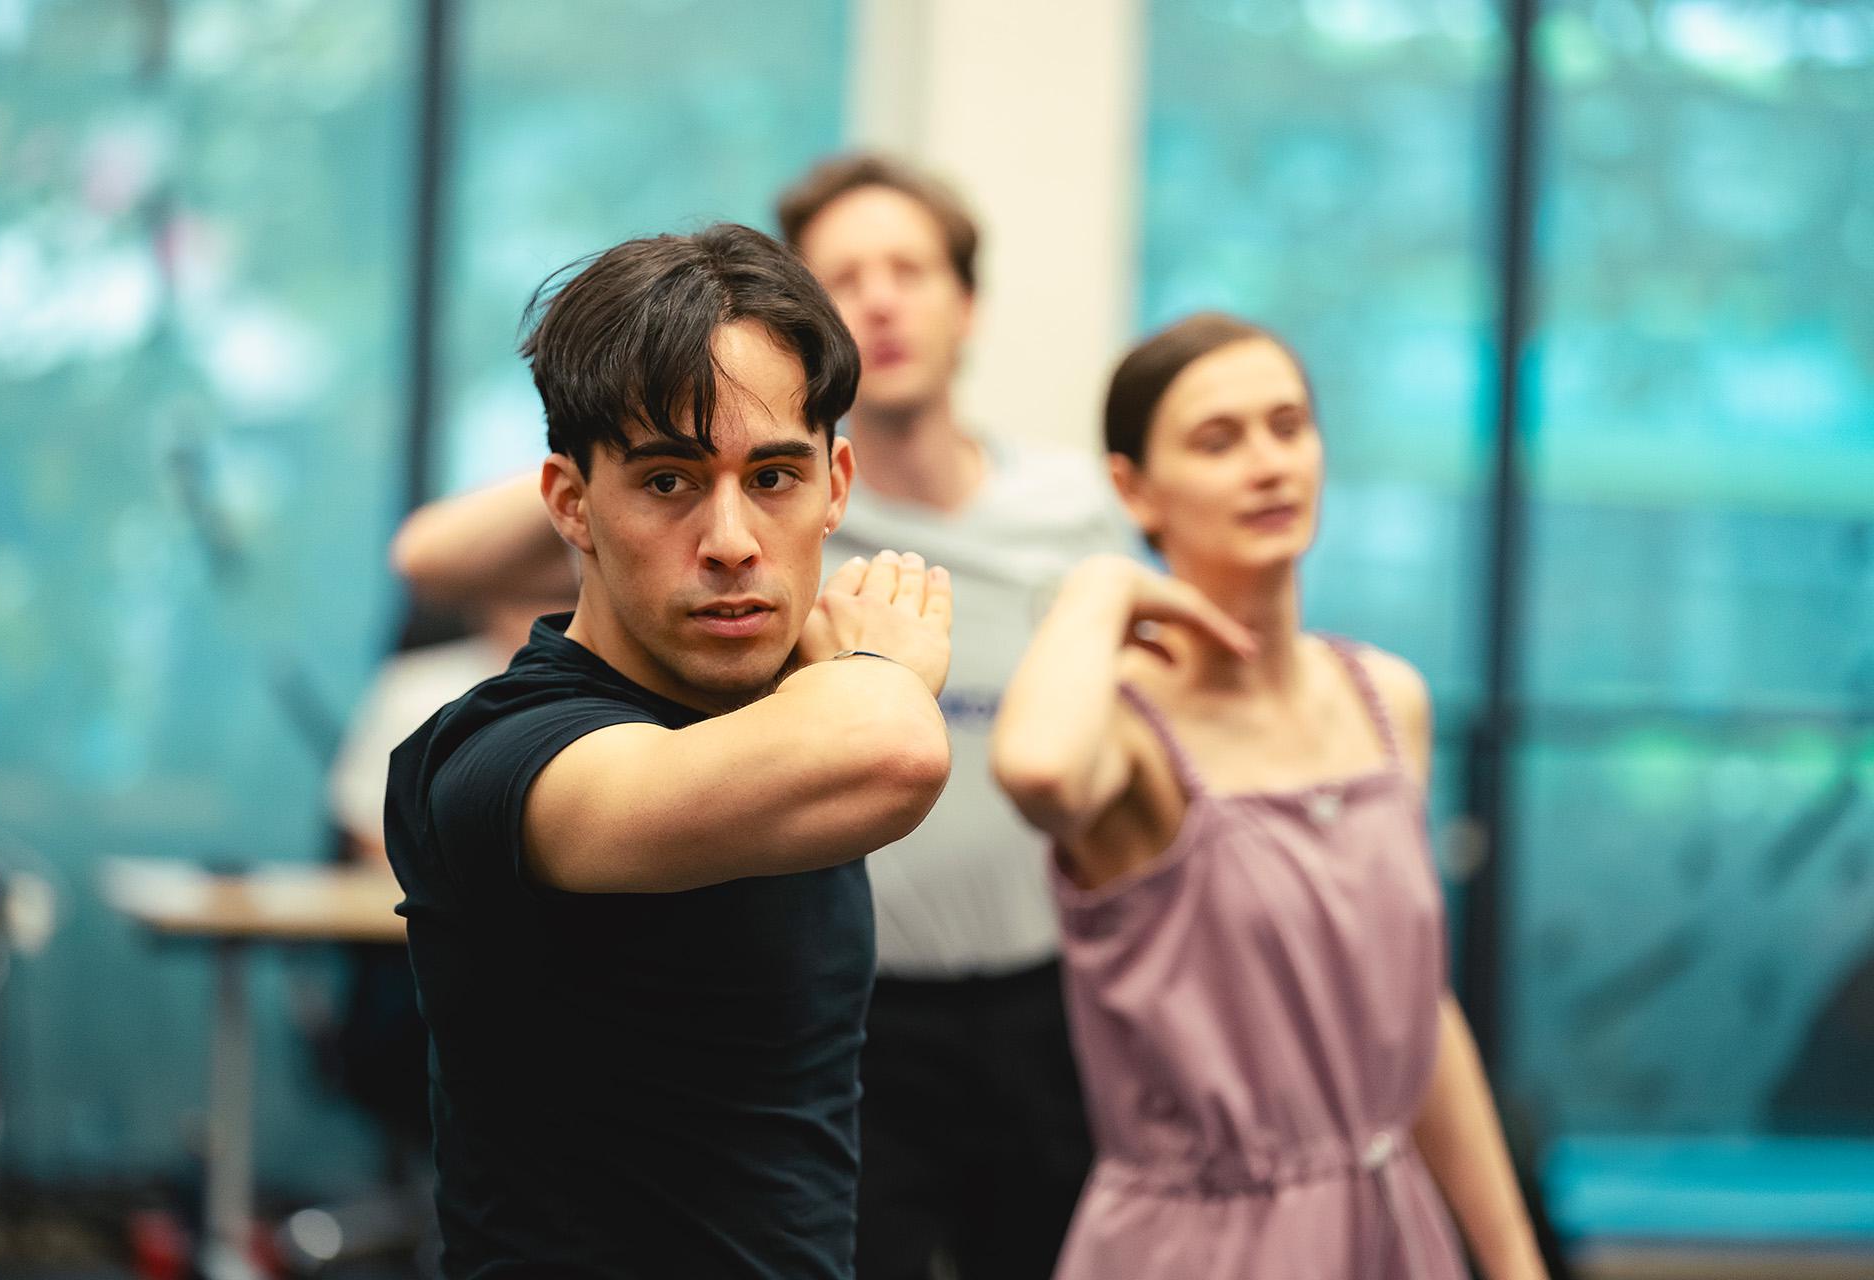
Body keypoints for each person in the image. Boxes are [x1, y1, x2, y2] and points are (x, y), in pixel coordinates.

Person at [391, 154, 1112, 1279]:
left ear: (837, 485)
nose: (731, 537)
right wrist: (878, 658)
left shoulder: (807, 701)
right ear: (571, 503)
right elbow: (888, 752)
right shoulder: (497, 754)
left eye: (772, 477)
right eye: (670, 480)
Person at [990, 312, 1548, 1278]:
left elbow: (1419, 1014)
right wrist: (1100, 589)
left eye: (1288, 426)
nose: (1268, 463)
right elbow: (1037, 772)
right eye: (1219, 440)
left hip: (1391, 1229)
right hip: (1202, 1247)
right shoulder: (1126, 736)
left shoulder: (1387, 700)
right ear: (1133, 488)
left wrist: (1511, 1259)